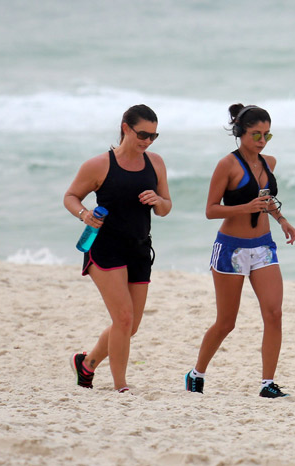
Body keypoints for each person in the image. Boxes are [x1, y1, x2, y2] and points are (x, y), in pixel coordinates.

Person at [185, 103, 295, 398]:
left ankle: (267, 383)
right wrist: (244, 208)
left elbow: (266, 199)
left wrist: (282, 220)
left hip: (263, 247)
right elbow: (211, 210)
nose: (262, 141)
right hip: (231, 249)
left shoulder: (269, 162)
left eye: (267, 135)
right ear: (240, 133)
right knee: (226, 322)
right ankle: (196, 373)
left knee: (274, 313)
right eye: (256, 134)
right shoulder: (228, 165)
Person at [63, 104, 172, 393]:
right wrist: (84, 214)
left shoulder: (156, 163)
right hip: (105, 248)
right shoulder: (99, 165)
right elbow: (71, 196)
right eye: (143, 134)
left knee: (130, 326)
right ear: (126, 128)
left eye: (154, 136)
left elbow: (166, 207)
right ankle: (121, 386)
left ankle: (86, 363)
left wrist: (157, 201)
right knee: (123, 318)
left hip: (139, 248)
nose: (147, 141)